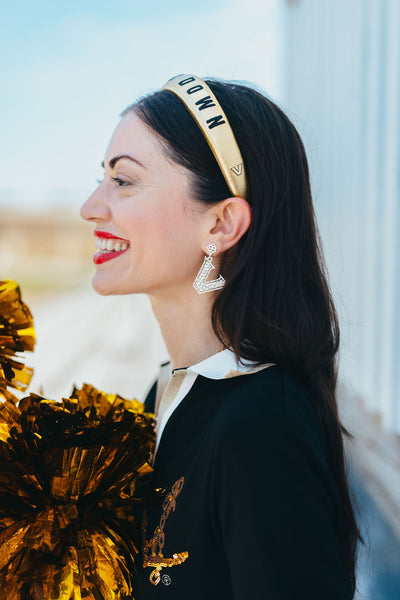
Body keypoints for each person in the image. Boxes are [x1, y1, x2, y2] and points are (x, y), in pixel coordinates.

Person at [80, 74, 361, 599]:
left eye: (123, 181)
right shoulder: (168, 392)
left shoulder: (262, 425)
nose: (91, 207)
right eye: (102, 178)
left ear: (221, 223)